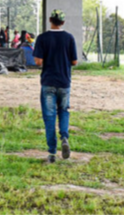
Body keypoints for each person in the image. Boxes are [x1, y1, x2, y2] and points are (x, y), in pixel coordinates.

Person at [32, 9, 79, 163]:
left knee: (49, 116)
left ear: (50, 20)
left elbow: (38, 61)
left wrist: (48, 59)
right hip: (64, 82)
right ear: (63, 22)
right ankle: (64, 137)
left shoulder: (42, 38)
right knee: (64, 111)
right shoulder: (69, 38)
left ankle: (52, 153)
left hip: (48, 82)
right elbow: (74, 62)